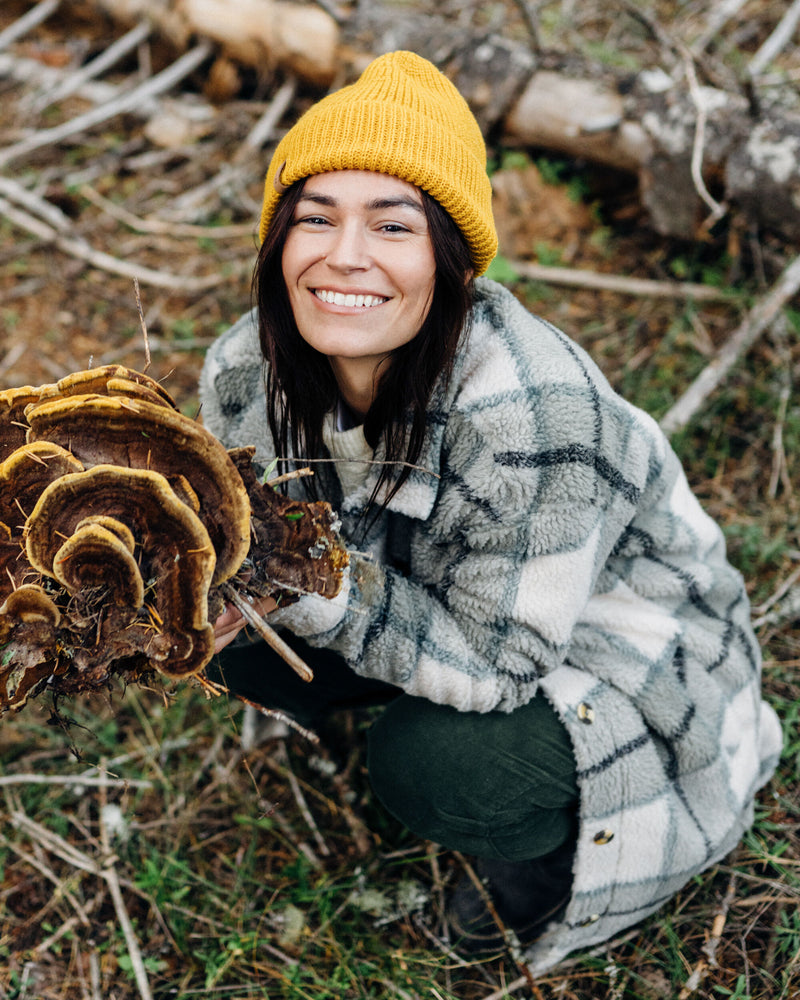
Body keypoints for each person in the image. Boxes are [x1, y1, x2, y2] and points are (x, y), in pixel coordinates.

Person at [199, 50, 782, 972]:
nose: (343, 255)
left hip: (606, 645)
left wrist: (306, 588)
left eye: (392, 226)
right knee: (228, 636)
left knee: (437, 766)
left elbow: (499, 663)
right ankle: (371, 706)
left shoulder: (536, 414)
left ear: (452, 261)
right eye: (316, 217)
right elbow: (252, 530)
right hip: (422, 590)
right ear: (279, 242)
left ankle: (542, 866)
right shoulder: (246, 369)